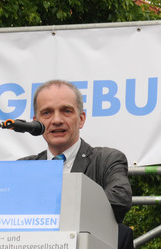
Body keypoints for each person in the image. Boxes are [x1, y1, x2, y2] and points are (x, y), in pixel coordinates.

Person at [19, 79, 132, 223]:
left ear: (81, 119)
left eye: (66, 111)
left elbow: (119, 199)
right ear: (36, 122)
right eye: (47, 113)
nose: (57, 120)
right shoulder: (23, 168)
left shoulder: (106, 160)